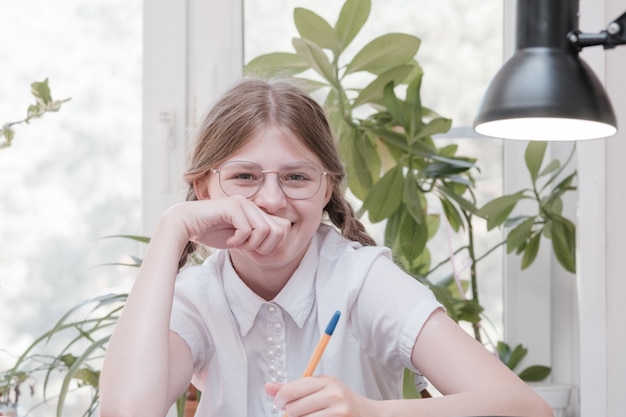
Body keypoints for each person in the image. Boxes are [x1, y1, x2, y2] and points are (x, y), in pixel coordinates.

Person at [99, 78, 553, 417]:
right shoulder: (197, 296)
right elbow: (127, 412)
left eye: (296, 176)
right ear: (203, 188)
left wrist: (370, 412)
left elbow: (527, 409)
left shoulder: (361, 280)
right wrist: (170, 231)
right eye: (244, 176)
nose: (272, 200)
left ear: (327, 189)